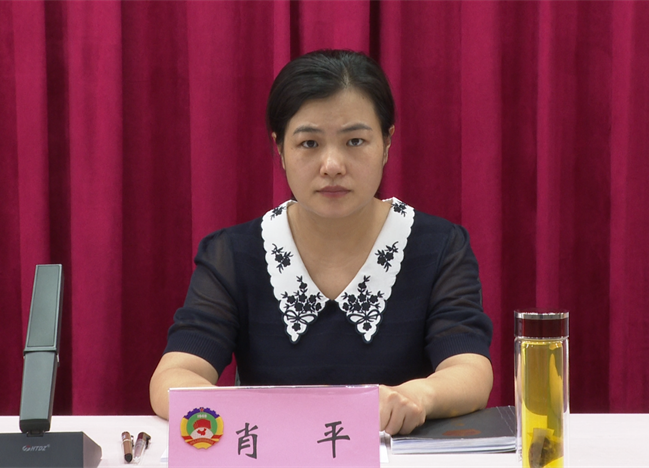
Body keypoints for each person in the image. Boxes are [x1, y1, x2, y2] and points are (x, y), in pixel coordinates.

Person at [149, 49, 493, 435]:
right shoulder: (234, 253)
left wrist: (417, 396)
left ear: (386, 143)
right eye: (309, 144)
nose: (332, 166)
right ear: (280, 149)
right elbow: (174, 376)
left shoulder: (439, 246)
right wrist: (249, 414)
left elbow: (470, 369)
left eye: (355, 141)